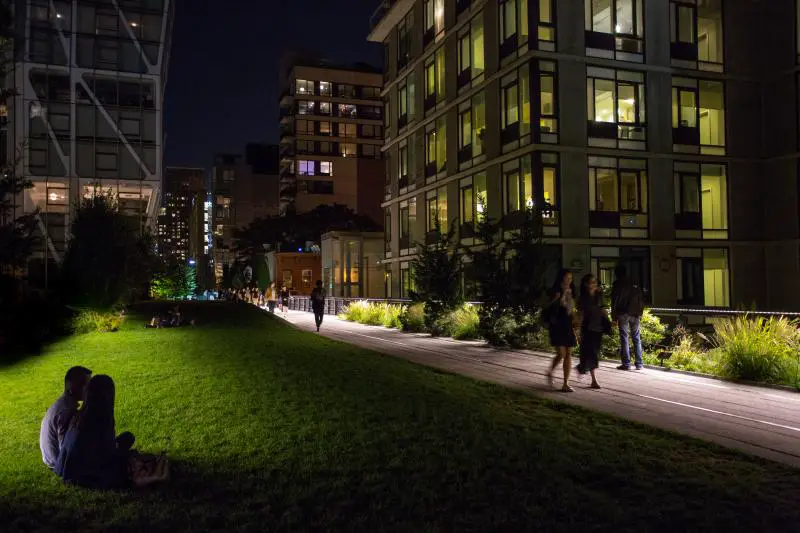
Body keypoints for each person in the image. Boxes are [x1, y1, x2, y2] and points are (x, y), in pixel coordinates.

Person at [54, 375, 136, 489]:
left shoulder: (79, 415)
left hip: (70, 468)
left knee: (127, 438)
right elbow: (107, 454)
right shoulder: (100, 418)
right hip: (86, 473)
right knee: (127, 455)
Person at [40, 366, 92, 470]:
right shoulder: (67, 412)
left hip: (51, 459)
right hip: (58, 464)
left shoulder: (62, 404)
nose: (88, 389)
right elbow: (67, 451)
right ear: (70, 386)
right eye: (85, 385)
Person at [545, 269, 578, 392]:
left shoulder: (572, 291)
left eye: (571, 278)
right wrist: (556, 298)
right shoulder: (555, 291)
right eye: (566, 278)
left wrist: (576, 321)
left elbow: (572, 309)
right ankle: (550, 372)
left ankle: (565, 383)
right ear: (561, 278)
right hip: (557, 324)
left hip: (568, 324)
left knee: (568, 353)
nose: (569, 280)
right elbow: (546, 306)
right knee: (561, 353)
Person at [577, 274, 610, 389]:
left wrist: (607, 317)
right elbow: (580, 314)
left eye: (595, 282)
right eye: (591, 282)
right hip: (588, 328)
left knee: (594, 352)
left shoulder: (599, 295)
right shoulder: (583, 298)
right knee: (593, 353)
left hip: (599, 327)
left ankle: (582, 367)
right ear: (586, 284)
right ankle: (594, 380)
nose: (593, 285)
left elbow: (603, 308)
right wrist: (577, 330)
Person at [610, 265, 645, 370]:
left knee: (624, 338)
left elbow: (614, 300)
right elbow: (641, 298)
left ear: (616, 274)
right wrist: (640, 312)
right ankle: (639, 364)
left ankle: (626, 364)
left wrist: (614, 316)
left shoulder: (617, 284)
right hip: (635, 313)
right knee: (636, 337)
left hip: (623, 313)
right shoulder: (634, 282)